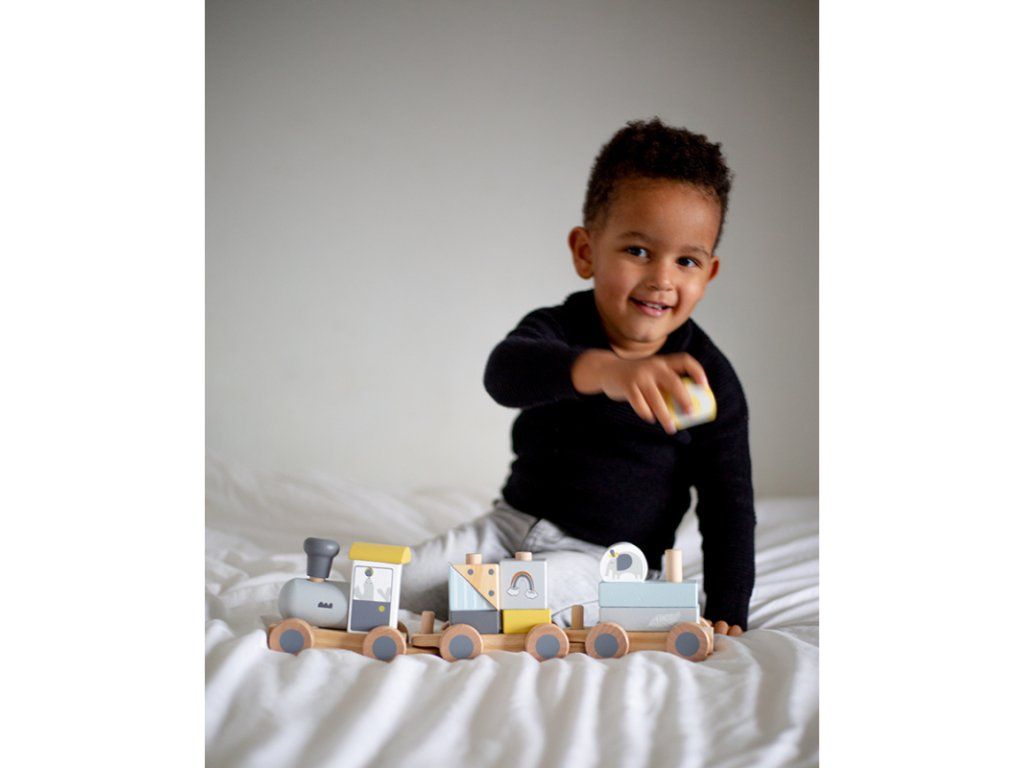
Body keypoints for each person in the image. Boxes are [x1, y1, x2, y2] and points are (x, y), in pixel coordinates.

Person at [401, 118, 754, 633]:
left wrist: (728, 607)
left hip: (609, 561)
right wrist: (604, 370)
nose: (662, 278)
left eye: (686, 261)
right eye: (638, 251)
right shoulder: (558, 329)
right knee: (399, 585)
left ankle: (492, 602)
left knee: (495, 604)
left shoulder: (705, 379)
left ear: (709, 274)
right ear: (586, 252)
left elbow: (729, 501)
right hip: (506, 528)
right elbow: (504, 374)